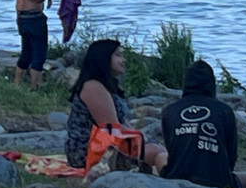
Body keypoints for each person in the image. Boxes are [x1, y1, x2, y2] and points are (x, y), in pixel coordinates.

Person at [65, 39, 169, 172]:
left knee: (158, 148)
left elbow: (120, 125)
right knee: (156, 152)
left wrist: (140, 138)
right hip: (88, 151)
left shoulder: (105, 86)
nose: (123, 60)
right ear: (104, 59)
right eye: (118, 55)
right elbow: (111, 129)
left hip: (105, 144)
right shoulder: (93, 87)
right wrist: (140, 141)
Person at [161, 60, 246, 188]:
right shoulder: (224, 111)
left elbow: (172, 149)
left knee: (160, 159)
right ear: (212, 84)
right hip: (217, 182)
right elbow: (231, 156)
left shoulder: (170, 111)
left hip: (176, 179)